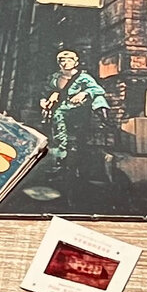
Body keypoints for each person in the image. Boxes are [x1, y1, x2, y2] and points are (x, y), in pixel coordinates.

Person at [35, 49, 112, 193]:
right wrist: (44, 101)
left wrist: (84, 93)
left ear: (76, 62)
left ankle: (77, 173)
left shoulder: (83, 77)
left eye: (69, 60)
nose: (65, 63)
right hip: (59, 115)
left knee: (77, 143)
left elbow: (97, 90)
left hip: (78, 114)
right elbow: (44, 92)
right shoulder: (54, 78)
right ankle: (61, 167)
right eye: (62, 60)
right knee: (59, 140)